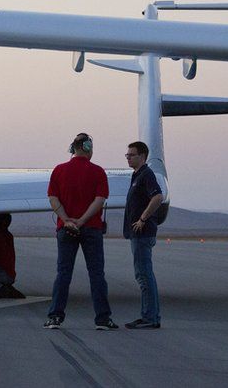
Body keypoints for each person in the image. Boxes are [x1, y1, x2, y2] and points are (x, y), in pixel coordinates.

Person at [44, 133, 119, 330]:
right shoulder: (98, 172)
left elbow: (53, 198)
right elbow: (99, 200)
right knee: (96, 274)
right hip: (91, 229)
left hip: (65, 229)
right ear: (88, 148)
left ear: (72, 148)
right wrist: (83, 220)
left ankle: (55, 317)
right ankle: (102, 319)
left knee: (63, 273)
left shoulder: (59, 171)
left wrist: (66, 219)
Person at [123, 141, 165, 329]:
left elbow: (158, 197)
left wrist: (143, 218)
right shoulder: (137, 175)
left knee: (144, 275)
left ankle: (150, 317)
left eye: (131, 155)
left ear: (142, 156)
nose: (128, 157)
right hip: (137, 234)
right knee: (143, 274)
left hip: (142, 234)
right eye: (127, 155)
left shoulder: (146, 175)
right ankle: (148, 315)